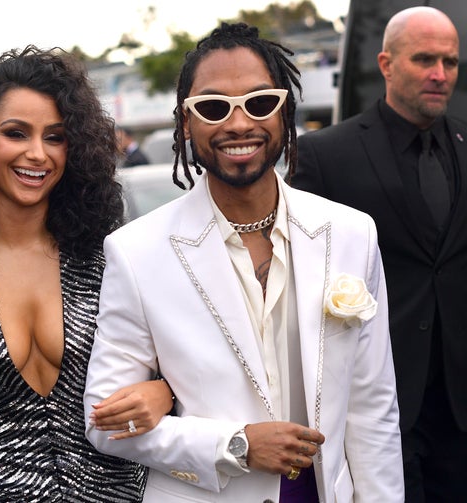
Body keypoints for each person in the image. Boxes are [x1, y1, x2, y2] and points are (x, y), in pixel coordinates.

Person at [84, 22, 404, 502]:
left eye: (260, 103)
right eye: (214, 108)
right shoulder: (136, 251)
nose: (238, 124)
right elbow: (107, 424)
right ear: (186, 123)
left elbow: (372, 407)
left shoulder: (352, 233)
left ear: (285, 112)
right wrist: (234, 445)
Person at [0, 45, 173, 502]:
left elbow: (191, 368)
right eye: (16, 133)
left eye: (56, 136)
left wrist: (164, 392)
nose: (37, 154)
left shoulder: (106, 256)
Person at [291, 6, 466, 502]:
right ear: (386, 64)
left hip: (459, 408)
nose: (440, 74)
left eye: (450, 63)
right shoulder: (326, 155)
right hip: (376, 403)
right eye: (425, 59)